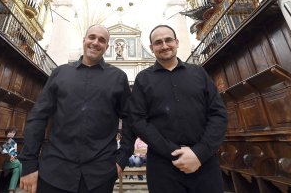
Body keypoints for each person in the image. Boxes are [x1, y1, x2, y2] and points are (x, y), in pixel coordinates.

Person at [18, 24, 134, 193]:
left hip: (99, 175)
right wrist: (29, 163)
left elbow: (130, 119)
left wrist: (121, 159)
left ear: (107, 47)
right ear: (84, 40)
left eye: (102, 40)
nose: (95, 42)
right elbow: (38, 117)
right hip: (54, 171)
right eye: (92, 37)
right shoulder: (60, 73)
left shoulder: (118, 77)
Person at [129, 24, 227, 193]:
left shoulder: (198, 73)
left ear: (177, 42)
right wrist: (173, 152)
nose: (164, 45)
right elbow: (138, 120)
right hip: (163, 166)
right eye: (158, 42)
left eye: (168, 40)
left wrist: (200, 153)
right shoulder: (143, 78)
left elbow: (218, 114)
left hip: (204, 161)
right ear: (152, 48)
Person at [0, 127, 22, 193]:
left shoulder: (14, 143)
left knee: (16, 170)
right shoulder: (1, 142)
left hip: (12, 162)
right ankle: (23, 180)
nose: (12, 134)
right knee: (19, 163)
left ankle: (11, 190)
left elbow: (15, 154)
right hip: (4, 163)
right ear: (7, 133)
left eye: (13, 133)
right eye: (10, 132)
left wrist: (14, 157)